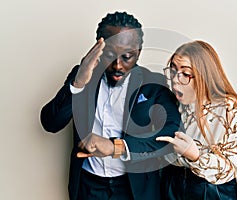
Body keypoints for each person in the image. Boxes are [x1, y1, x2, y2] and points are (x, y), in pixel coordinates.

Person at [40, 11, 181, 200]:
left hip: (136, 189)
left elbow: (172, 134)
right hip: (88, 186)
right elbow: (50, 123)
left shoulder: (154, 83)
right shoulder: (82, 75)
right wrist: (79, 83)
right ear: (99, 47)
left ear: (138, 53)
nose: (117, 65)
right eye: (109, 54)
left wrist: (118, 147)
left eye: (127, 56)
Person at [157, 40, 237, 200]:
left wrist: (196, 156)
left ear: (203, 76)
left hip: (210, 189)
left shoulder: (227, 106)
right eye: (173, 71)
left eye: (185, 74)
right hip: (173, 182)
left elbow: (230, 167)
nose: (176, 80)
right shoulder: (170, 102)